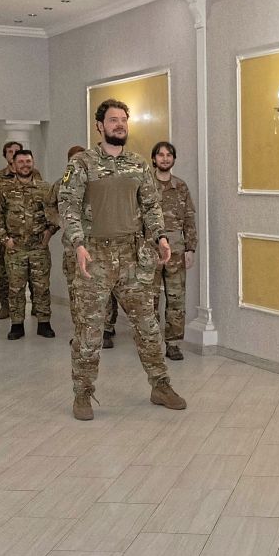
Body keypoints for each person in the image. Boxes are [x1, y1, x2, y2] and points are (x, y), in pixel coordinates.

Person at [57, 100, 186, 420]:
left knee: (148, 326)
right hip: (94, 256)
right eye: (113, 120)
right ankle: (83, 393)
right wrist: (78, 244)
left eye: (123, 120)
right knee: (89, 330)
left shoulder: (138, 164)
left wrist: (160, 237)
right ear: (99, 126)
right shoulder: (82, 163)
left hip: (132, 255)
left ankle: (161, 385)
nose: (119, 125)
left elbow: (151, 206)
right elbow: (68, 205)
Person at [0, 149, 57, 340]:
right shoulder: (4, 189)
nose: (25, 165)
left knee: (42, 287)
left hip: (38, 247)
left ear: (33, 162)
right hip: (15, 248)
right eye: (21, 162)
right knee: (15, 288)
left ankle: (44, 323)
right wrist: (5, 240)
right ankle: (17, 325)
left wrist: (49, 233)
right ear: (13, 164)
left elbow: (55, 213)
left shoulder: (45, 188)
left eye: (28, 161)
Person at [149, 141, 197, 360]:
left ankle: (174, 344)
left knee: (176, 298)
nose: (165, 158)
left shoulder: (181, 187)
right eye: (161, 155)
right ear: (154, 159)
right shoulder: (146, 185)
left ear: (174, 159)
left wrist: (190, 248)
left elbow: (189, 219)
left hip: (177, 251)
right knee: (149, 299)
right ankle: (151, 343)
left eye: (169, 155)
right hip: (150, 250)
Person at [0, 140, 43, 319]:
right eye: (10, 152)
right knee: (6, 274)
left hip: (32, 237)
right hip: (9, 236)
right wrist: (4, 237)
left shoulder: (36, 175)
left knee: (36, 275)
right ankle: (6, 306)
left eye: (16, 151)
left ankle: (37, 306)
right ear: (6, 156)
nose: (13, 154)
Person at [52, 145, 84, 300]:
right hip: (71, 245)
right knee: (74, 287)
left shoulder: (96, 182)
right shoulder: (61, 184)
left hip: (95, 244)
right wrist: (61, 221)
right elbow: (49, 206)